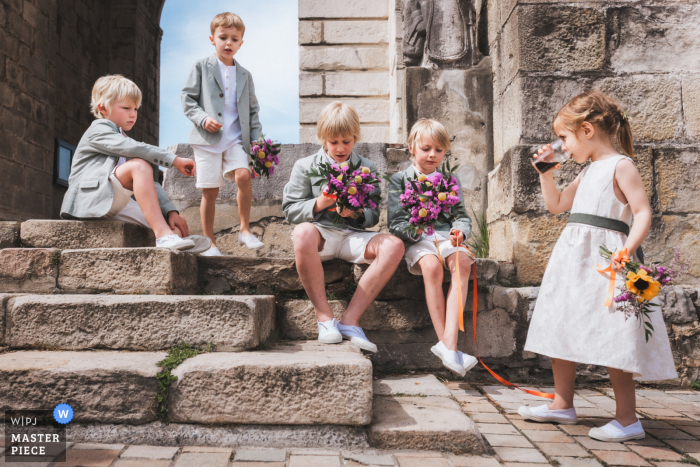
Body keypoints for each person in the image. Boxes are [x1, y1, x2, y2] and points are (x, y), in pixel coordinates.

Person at [518, 90, 677, 442]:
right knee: (563, 322)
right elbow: (558, 205)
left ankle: (627, 419)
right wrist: (545, 174)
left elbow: (642, 212)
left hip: (607, 261)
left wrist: (628, 249)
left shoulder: (621, 166)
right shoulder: (589, 170)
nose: (561, 146)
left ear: (587, 130)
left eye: (564, 137)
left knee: (613, 333)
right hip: (574, 260)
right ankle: (562, 403)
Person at [282, 102, 405, 352]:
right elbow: (290, 210)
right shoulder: (305, 166)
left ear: (356, 137)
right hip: (321, 236)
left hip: (354, 236)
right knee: (302, 232)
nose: (340, 148)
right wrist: (320, 203)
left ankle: (350, 321)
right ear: (322, 138)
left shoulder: (367, 168)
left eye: (346, 142)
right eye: (333, 141)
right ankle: (325, 318)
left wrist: (358, 213)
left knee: (394, 245)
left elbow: (373, 215)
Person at [61, 74, 210, 253]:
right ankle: (164, 237)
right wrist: (173, 159)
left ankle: (174, 239)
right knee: (139, 166)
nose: (133, 114)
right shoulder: (99, 129)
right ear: (103, 107)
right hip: (93, 198)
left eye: (136, 108)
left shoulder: (122, 137)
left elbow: (148, 183)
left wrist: (172, 211)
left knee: (172, 225)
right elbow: (134, 149)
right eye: (126, 108)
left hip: (116, 203)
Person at [387, 119, 478, 376]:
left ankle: (448, 345)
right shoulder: (399, 180)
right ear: (411, 147)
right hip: (418, 239)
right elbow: (395, 223)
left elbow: (461, 216)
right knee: (432, 268)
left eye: (439, 150)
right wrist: (416, 227)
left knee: (462, 262)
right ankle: (450, 347)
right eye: (426, 148)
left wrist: (460, 230)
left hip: (446, 238)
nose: (432, 155)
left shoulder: (450, 180)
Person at [182, 12, 264, 255]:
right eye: (223, 37)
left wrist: (257, 144)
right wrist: (203, 118)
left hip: (236, 137)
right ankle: (210, 243)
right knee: (210, 191)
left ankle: (245, 230)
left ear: (241, 43)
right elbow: (188, 100)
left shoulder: (245, 75)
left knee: (243, 176)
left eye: (234, 39)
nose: (228, 43)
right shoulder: (200, 66)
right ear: (212, 39)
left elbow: (253, 111)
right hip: (207, 139)